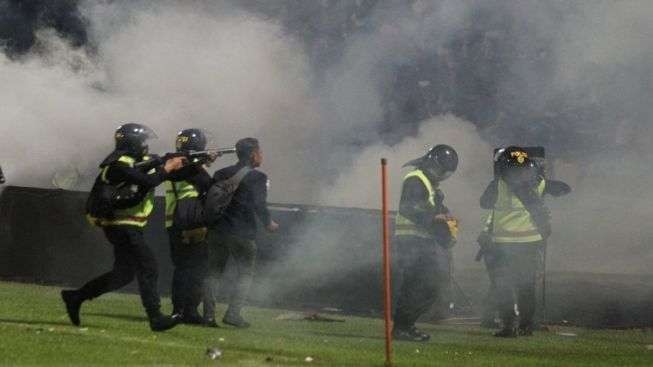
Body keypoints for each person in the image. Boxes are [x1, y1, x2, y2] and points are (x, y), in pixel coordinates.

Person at [61, 123, 185, 332]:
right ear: (134, 143)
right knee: (148, 267)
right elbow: (149, 180)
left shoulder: (131, 162)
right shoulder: (119, 164)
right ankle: (156, 318)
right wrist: (167, 167)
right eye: (143, 142)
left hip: (125, 225)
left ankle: (76, 296)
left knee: (123, 275)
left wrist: (183, 162)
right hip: (123, 225)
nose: (146, 146)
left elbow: (153, 170)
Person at [478, 146, 570, 337]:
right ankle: (526, 326)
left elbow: (484, 203)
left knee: (503, 285)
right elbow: (563, 189)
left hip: (502, 243)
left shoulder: (497, 185)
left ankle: (508, 326)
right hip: (529, 242)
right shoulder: (537, 184)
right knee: (526, 286)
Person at [204, 137, 278, 328]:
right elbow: (259, 204)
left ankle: (208, 315)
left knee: (214, 272)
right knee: (245, 274)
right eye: (260, 152)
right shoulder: (258, 177)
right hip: (242, 233)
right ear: (253, 154)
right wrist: (268, 223)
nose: (261, 156)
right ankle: (233, 314)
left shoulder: (221, 173)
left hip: (217, 230)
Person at [392, 144, 459, 342]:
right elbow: (409, 209)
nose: (442, 175)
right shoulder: (416, 179)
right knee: (422, 285)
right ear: (433, 163)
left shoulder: (429, 184)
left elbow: (431, 211)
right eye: (442, 171)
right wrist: (437, 219)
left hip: (420, 241)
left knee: (423, 285)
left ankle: (405, 326)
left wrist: (446, 221)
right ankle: (403, 327)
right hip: (411, 241)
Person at [164, 128, 217, 326]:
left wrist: (202, 161)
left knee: (185, 269)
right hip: (189, 224)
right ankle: (186, 310)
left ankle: (184, 310)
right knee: (194, 269)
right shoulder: (185, 165)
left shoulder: (177, 163)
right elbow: (208, 184)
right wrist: (204, 162)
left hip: (175, 223)